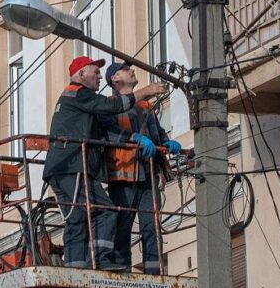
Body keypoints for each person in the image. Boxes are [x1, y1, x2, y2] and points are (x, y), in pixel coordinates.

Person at [43, 56, 167, 271]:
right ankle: (100, 261)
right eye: (95, 71)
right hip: (75, 167)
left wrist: (159, 142)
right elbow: (112, 109)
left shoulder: (80, 99)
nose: (99, 76)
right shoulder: (79, 93)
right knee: (104, 210)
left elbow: (109, 128)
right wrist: (146, 91)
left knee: (78, 217)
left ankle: (76, 270)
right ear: (82, 74)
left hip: (68, 167)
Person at [101, 62, 181, 275]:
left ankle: (154, 272)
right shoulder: (110, 104)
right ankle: (122, 270)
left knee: (151, 225)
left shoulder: (145, 106)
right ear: (116, 78)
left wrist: (167, 142)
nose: (132, 70)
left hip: (147, 174)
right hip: (123, 175)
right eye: (127, 69)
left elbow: (158, 132)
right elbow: (108, 132)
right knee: (123, 226)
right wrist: (133, 138)